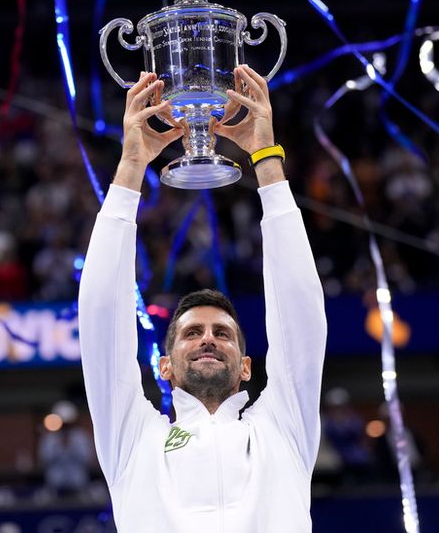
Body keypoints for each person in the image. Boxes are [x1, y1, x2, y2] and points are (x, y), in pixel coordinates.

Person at [78, 66, 327, 532]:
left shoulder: (282, 427)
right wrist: (131, 168)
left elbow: (301, 313)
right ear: (165, 366)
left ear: (247, 366)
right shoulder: (134, 437)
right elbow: (99, 316)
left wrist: (266, 160)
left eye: (223, 333)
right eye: (192, 333)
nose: (208, 339)